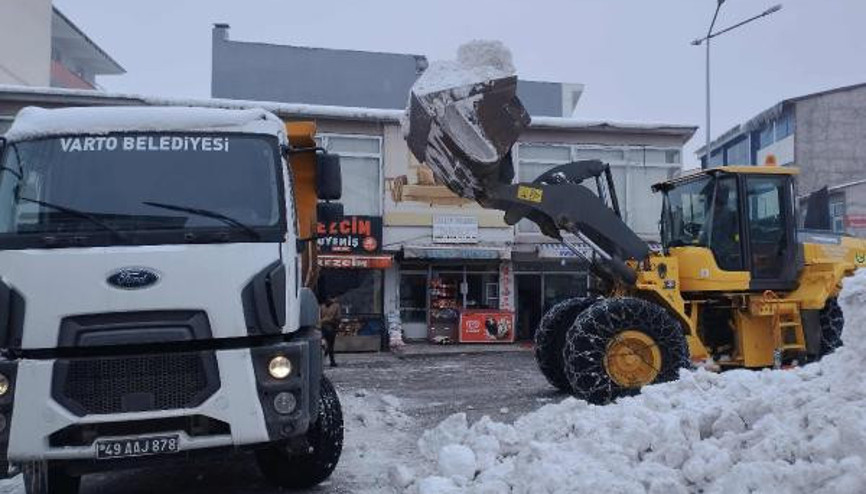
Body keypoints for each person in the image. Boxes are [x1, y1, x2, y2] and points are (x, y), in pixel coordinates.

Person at [319, 296, 341, 367]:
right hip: (331, 326)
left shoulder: (322, 306)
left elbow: (320, 316)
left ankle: (323, 358)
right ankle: (332, 361)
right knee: (330, 345)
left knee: (325, 343)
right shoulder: (336, 306)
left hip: (323, 325)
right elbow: (338, 317)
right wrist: (337, 326)